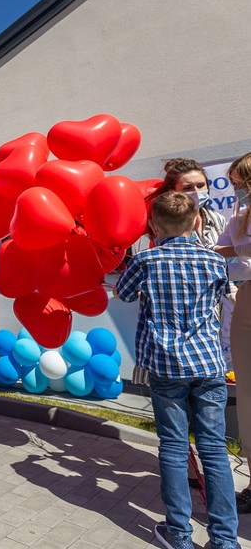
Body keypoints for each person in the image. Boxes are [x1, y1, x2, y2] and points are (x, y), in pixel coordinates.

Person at [117, 192, 237, 549]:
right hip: (208, 365)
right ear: (196, 221)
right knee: (214, 450)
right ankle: (225, 540)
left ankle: (179, 534)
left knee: (173, 446)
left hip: (166, 366)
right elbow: (219, 298)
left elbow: (123, 293)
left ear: (153, 225)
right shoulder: (214, 261)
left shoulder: (146, 260)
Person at [215, 152, 251, 515]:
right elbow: (221, 248)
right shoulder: (239, 219)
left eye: (242, 184)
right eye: (236, 186)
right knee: (250, 396)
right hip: (247, 302)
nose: (238, 192)